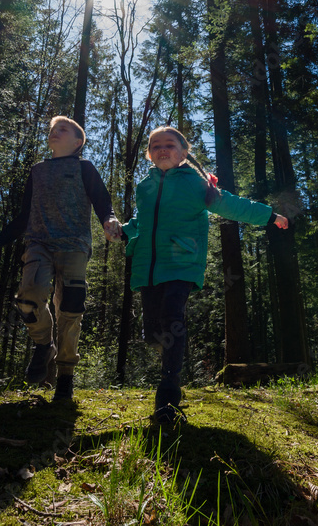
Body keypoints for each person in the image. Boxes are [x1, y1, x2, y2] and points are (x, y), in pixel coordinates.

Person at [122, 127, 289, 423]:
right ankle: (168, 369)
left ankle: (167, 399)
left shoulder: (196, 185)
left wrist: (269, 215)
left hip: (181, 262)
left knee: (173, 319)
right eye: (156, 145)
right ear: (149, 153)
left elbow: (230, 203)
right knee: (154, 334)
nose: (162, 149)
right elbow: (140, 219)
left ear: (183, 153)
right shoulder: (145, 186)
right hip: (148, 267)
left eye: (169, 145)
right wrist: (123, 232)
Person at [0, 116, 121, 402]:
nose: (54, 133)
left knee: (71, 312)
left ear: (77, 141)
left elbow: (102, 201)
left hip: (74, 246)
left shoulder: (84, 167)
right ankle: (43, 344)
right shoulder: (37, 171)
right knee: (29, 295)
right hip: (39, 243)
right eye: (52, 130)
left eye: (63, 130)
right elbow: (24, 214)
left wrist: (110, 220)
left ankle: (65, 378)